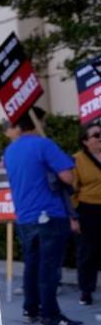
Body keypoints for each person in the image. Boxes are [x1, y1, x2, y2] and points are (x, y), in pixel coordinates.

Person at [3, 108, 82, 325]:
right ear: (36, 123)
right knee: (49, 267)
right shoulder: (44, 144)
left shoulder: (10, 151)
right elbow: (67, 175)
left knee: (33, 264)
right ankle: (51, 315)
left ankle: (31, 309)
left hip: (25, 216)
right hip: (50, 213)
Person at [72, 119, 101, 306]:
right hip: (89, 210)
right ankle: (86, 290)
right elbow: (72, 190)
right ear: (85, 141)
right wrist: (73, 217)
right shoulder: (77, 160)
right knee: (88, 252)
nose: (100, 138)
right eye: (96, 136)